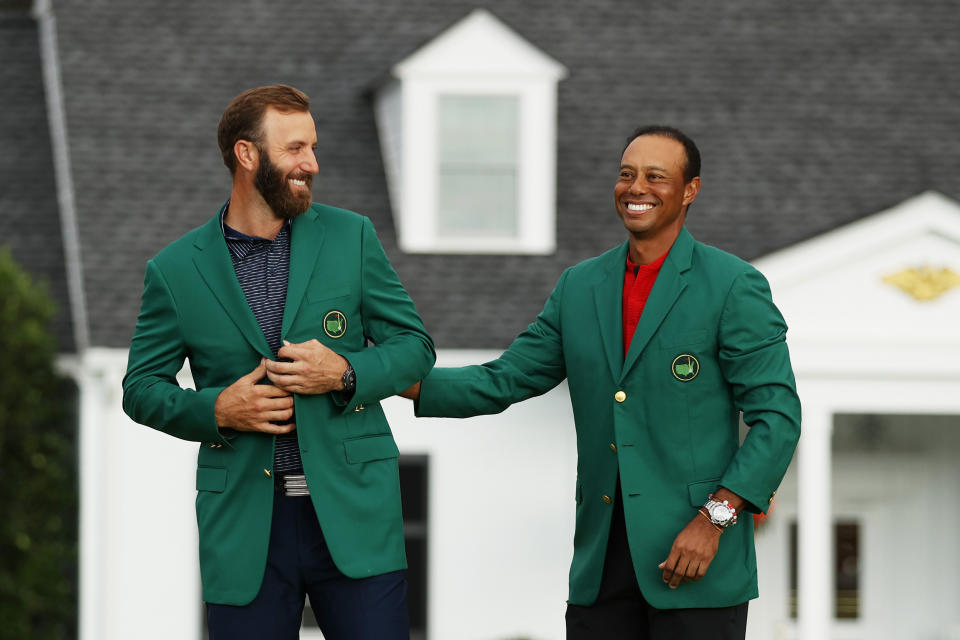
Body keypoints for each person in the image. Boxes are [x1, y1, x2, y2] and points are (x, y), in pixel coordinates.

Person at [402, 126, 801, 639]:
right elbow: (504, 378)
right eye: (626, 174)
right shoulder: (580, 286)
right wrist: (370, 376)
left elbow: (778, 419)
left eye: (656, 176)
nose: (636, 188)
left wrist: (714, 519)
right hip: (600, 568)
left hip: (697, 558)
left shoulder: (732, 285)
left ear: (689, 190)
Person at [122, 84, 434, 640]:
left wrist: (344, 373)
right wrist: (217, 408)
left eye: (312, 147)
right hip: (246, 526)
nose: (311, 163)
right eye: (295, 149)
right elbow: (141, 387)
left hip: (355, 512)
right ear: (247, 155)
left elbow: (414, 346)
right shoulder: (174, 270)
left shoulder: (352, 236)